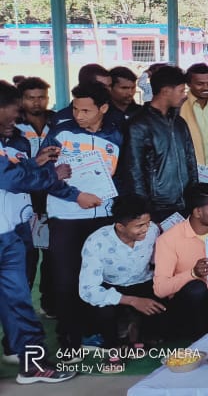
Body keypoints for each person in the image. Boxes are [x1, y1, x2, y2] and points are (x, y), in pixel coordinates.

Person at [0, 81, 77, 384]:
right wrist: (49, 174)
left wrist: (35, 164)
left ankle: (32, 366)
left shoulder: (8, 142)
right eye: (12, 112)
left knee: (19, 304)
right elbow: (11, 178)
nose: (15, 119)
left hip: (9, 237)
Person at [44, 82, 121, 358]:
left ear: (103, 108)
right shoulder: (59, 133)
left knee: (97, 278)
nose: (79, 115)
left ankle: (95, 334)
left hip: (102, 217)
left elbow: (120, 176)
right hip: (65, 217)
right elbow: (44, 175)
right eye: (76, 109)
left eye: (86, 110)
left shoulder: (116, 135)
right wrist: (75, 196)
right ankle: (69, 342)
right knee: (66, 280)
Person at [79, 195, 167, 349]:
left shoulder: (153, 230)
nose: (146, 229)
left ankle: (136, 333)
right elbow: (88, 290)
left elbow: (157, 262)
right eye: (139, 226)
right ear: (120, 227)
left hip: (144, 283)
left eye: (147, 223)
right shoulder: (97, 242)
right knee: (104, 311)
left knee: (162, 306)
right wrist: (133, 301)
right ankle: (114, 345)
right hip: (113, 286)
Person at [153, 183, 208, 339]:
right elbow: (160, 289)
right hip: (187, 309)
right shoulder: (168, 239)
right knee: (196, 288)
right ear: (198, 212)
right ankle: (195, 341)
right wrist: (193, 273)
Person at [118, 65, 198, 223]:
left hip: (185, 205)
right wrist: (144, 209)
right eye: (181, 90)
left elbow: (191, 161)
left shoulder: (180, 123)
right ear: (166, 91)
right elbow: (134, 172)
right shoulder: (138, 125)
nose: (185, 96)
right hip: (157, 209)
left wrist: (195, 197)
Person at [15, 77, 55, 318]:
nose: (37, 102)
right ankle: (21, 310)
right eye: (31, 97)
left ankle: (49, 304)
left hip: (54, 199)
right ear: (21, 100)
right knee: (26, 259)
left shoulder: (58, 121)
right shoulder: (13, 127)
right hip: (24, 202)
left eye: (41, 97)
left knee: (52, 257)